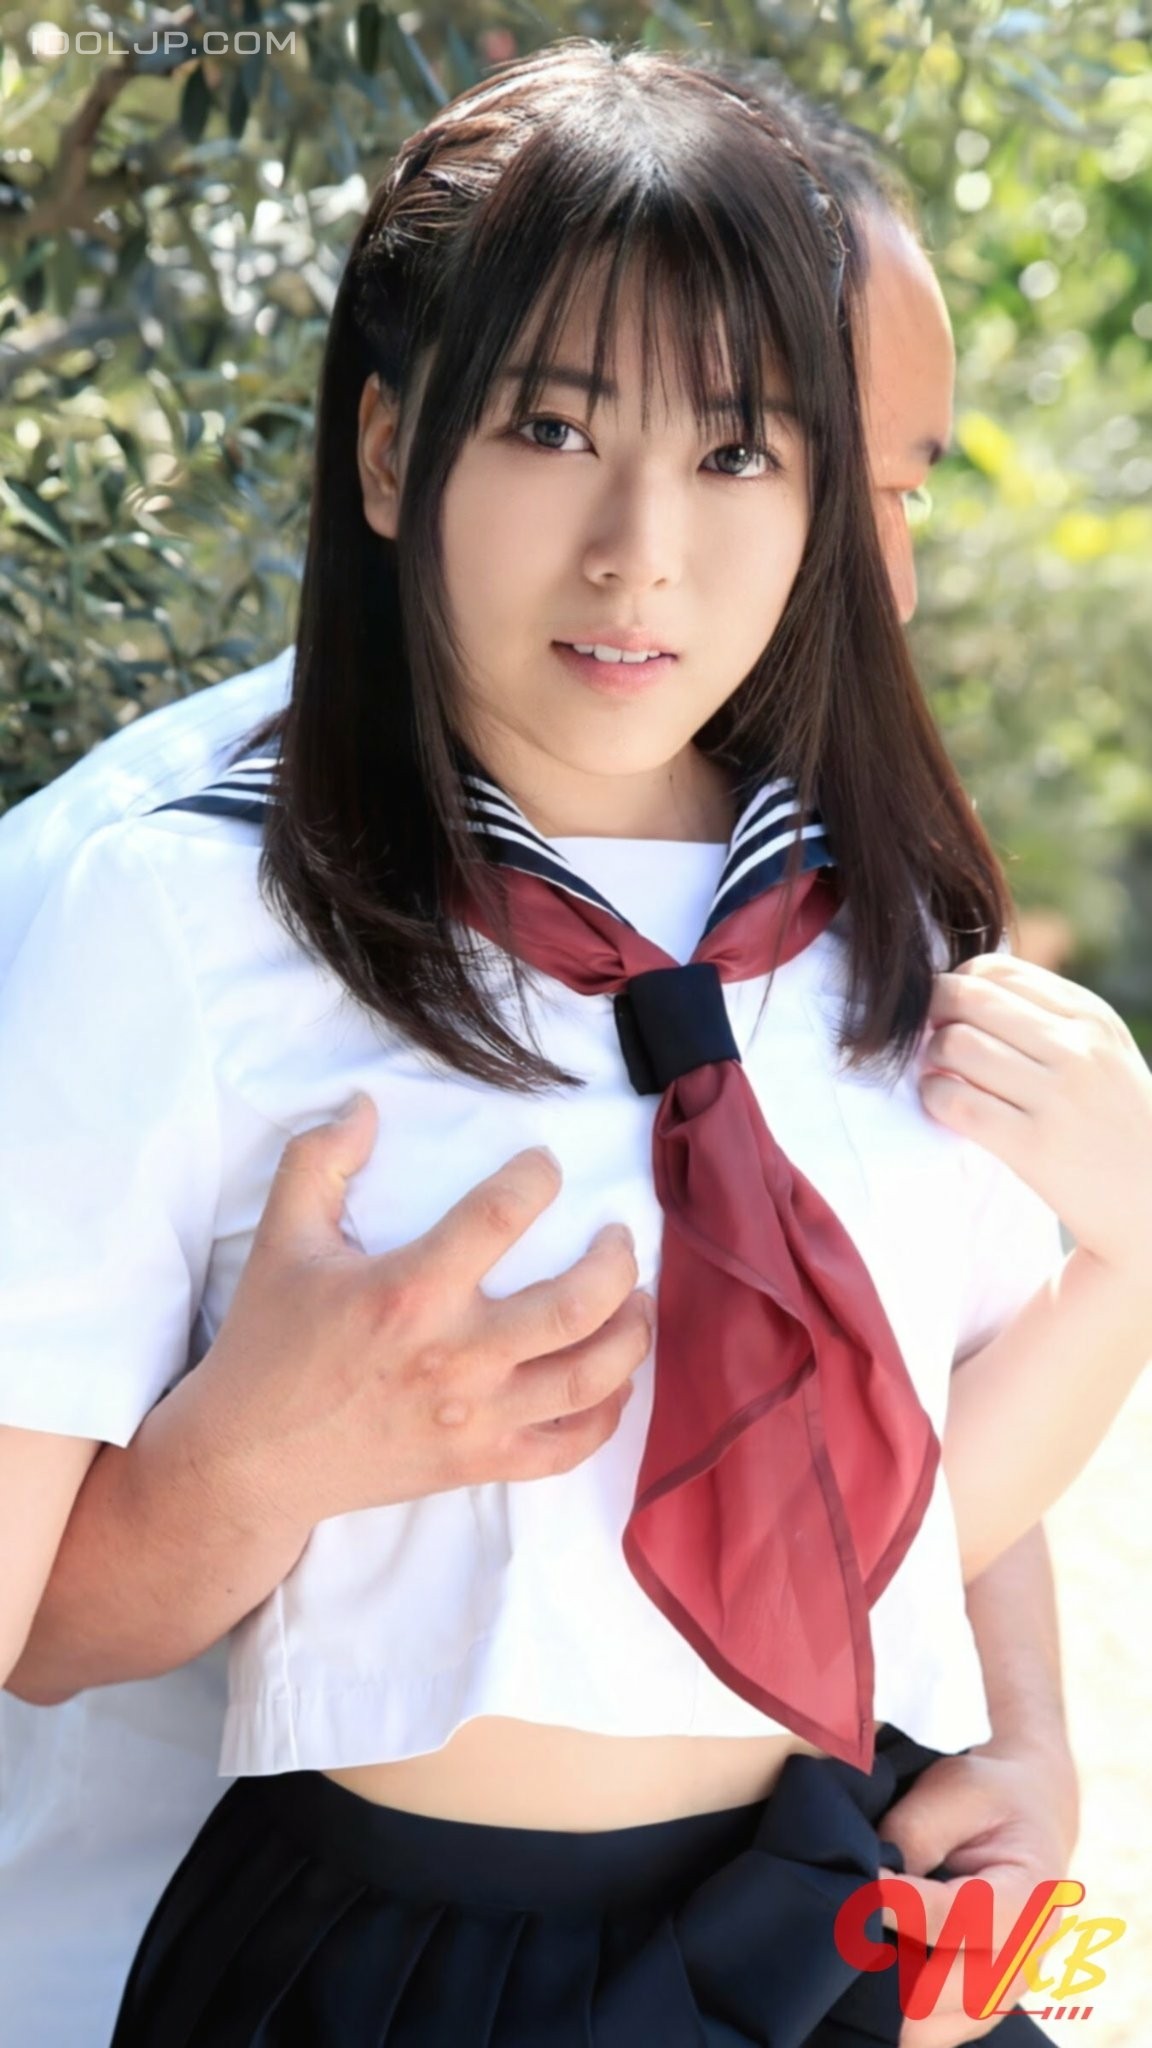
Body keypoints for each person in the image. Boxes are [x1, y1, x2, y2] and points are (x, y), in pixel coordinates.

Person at [0, 44, 1130, 2048]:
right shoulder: (175, 909)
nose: (639, 550)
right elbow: (36, 1627)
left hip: (824, 1919)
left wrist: (1129, 1273)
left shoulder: (886, 923)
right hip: (396, 1962)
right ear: (386, 452)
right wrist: (258, 1460)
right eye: (549, 425)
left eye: (743, 455)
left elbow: (894, 1511)